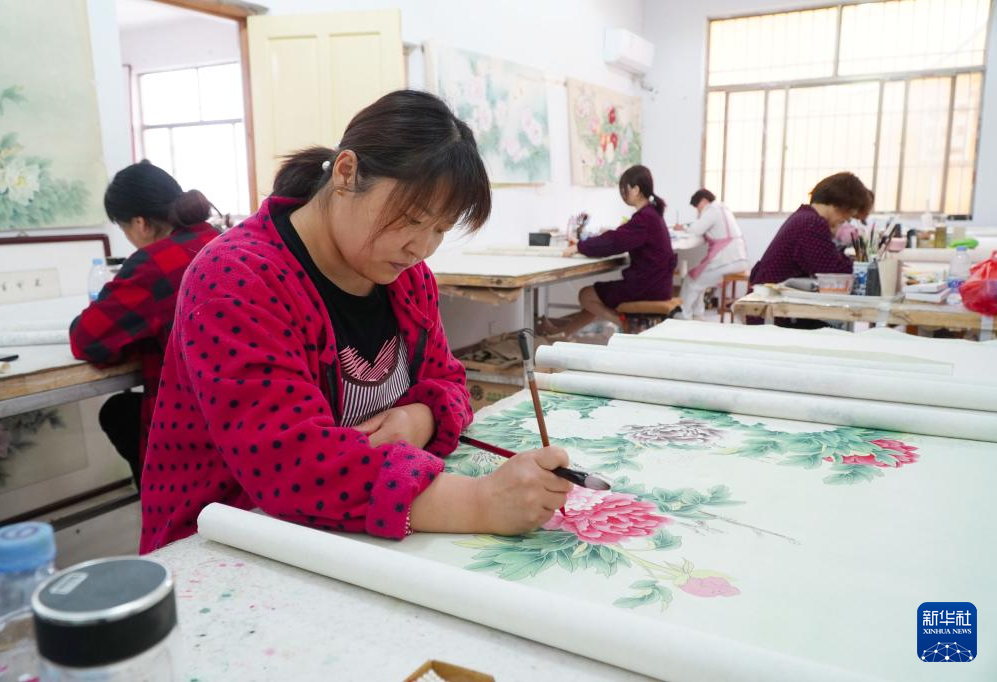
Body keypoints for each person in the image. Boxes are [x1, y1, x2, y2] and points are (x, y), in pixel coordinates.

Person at [139, 90, 573, 552]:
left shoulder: (408, 279)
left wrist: (422, 417)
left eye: (440, 230)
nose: (422, 248)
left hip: (345, 537)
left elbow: (449, 381)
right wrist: (478, 502)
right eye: (412, 219)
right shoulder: (236, 279)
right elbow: (292, 465)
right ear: (346, 173)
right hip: (225, 541)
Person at [69, 161, 220, 489]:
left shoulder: (155, 264)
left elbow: (87, 339)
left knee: (117, 413)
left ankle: (157, 496)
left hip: (195, 428)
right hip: (240, 411)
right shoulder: (221, 239)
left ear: (140, 223)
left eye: (124, 229)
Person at [556, 165, 677, 335]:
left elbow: (614, 242)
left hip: (647, 287)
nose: (622, 194)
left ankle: (624, 324)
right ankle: (562, 333)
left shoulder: (644, 218)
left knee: (586, 295)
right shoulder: (652, 214)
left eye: (624, 189)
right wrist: (586, 243)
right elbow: (619, 238)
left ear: (636, 190)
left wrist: (579, 247)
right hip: (658, 284)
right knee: (597, 297)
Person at [749, 171, 872, 328]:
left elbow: (827, 260)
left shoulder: (805, 217)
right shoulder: (812, 223)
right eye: (848, 216)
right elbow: (833, 270)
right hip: (773, 314)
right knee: (835, 331)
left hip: (775, 306)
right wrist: (863, 268)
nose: (845, 221)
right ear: (841, 205)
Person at [674, 189, 747, 321]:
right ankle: (697, 314)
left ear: (704, 201)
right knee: (699, 278)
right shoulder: (722, 208)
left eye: (697, 207)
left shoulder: (712, 210)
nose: (698, 211)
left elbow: (696, 229)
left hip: (727, 260)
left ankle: (683, 315)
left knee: (692, 279)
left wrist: (683, 228)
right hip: (737, 258)